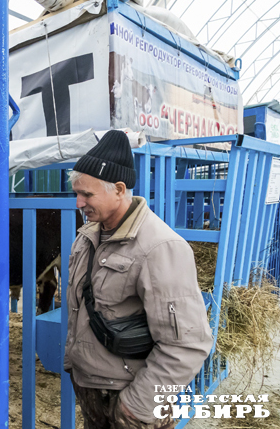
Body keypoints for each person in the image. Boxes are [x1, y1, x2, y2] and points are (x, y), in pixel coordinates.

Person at [64, 130, 212, 428]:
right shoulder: (88, 236)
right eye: (77, 193)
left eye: (87, 194)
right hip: (93, 389)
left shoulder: (160, 247)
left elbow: (187, 344)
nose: (79, 203)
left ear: (119, 189)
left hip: (131, 400)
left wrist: (139, 404)